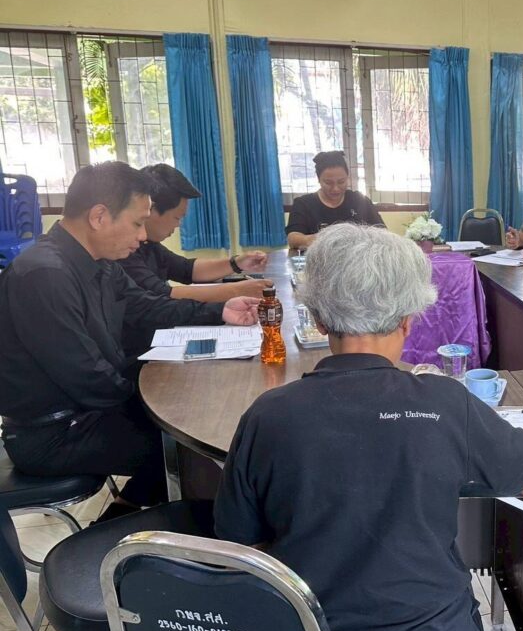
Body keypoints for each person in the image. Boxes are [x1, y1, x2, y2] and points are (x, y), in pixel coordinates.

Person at [215, 223, 523, 631]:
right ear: (408, 319)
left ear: (319, 318)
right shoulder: (445, 402)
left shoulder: (268, 414)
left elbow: (236, 541)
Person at [0, 162, 259, 521]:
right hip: (55, 433)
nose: (141, 236)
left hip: (87, 411)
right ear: (99, 217)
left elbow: (147, 306)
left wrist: (220, 312)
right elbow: (87, 375)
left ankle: (127, 516)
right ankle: (161, 531)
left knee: (194, 416)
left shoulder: (100, 261)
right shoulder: (44, 274)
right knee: (189, 445)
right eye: (137, 223)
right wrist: (159, 401)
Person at [120, 164, 271, 302]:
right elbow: (161, 295)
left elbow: (186, 269)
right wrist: (236, 291)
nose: (178, 225)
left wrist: (237, 263)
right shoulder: (123, 250)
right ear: (150, 210)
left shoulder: (149, 244)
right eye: (177, 218)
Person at [286, 151, 384, 248]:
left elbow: (382, 233)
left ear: (347, 177)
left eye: (341, 182)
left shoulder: (360, 201)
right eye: (328, 183)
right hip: (319, 256)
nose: (335, 189)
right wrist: (323, 239)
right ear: (319, 180)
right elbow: (293, 239)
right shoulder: (303, 204)